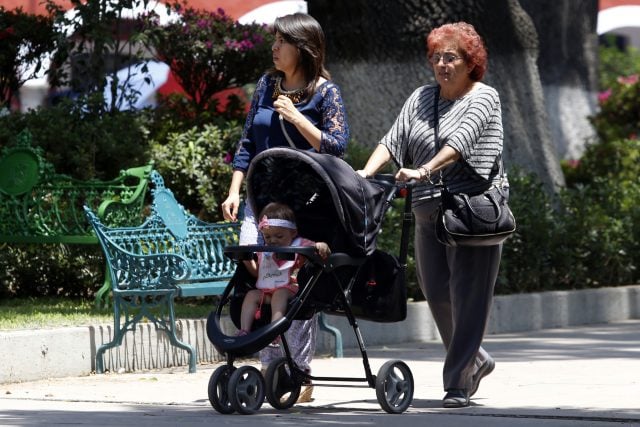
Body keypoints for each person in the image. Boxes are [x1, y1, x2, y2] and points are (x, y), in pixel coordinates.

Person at [356, 22, 504, 408]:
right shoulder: (422, 97)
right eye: (436, 57)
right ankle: (477, 358)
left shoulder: (484, 97)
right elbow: (394, 138)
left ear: (470, 62)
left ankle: (457, 382)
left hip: (471, 211)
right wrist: (366, 173)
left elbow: (460, 143)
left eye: (450, 57)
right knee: (436, 291)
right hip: (428, 209)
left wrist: (423, 170)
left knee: (468, 297)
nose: (441, 64)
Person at [221, 12, 349, 403]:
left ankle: (293, 370)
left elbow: (337, 145)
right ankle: (271, 357)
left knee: (293, 284)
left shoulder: (325, 92)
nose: (273, 48)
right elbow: (247, 143)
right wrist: (234, 190)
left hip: (303, 206)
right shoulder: (265, 84)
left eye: (281, 41)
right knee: (254, 267)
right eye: (273, 41)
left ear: (303, 48)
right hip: (260, 198)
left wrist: (297, 118)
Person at [237, 202, 330, 336]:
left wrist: (320, 246)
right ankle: (244, 330)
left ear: (293, 232)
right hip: (268, 292)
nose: (273, 240)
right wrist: (247, 260)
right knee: (251, 295)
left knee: (280, 293)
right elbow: (259, 273)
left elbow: (315, 248)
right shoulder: (265, 251)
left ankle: (274, 330)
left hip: (291, 290)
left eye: (279, 236)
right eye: (267, 237)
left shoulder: (298, 244)